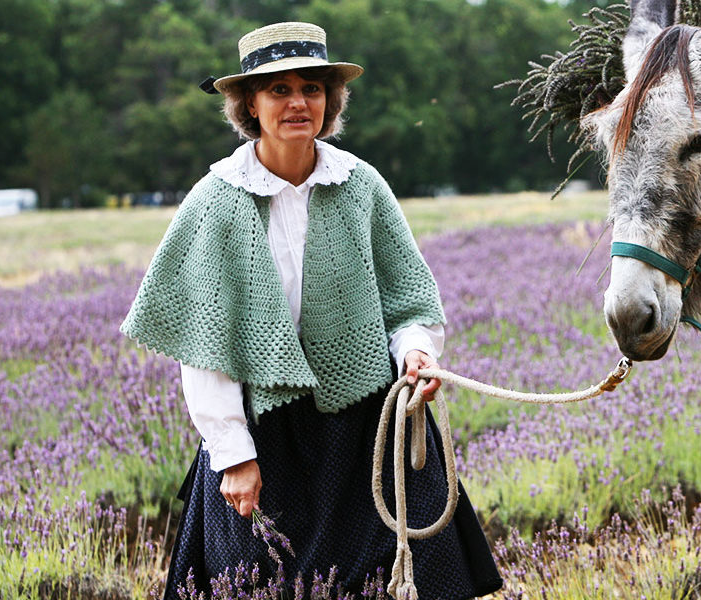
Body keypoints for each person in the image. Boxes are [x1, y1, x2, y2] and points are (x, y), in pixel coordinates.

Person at [121, 22, 503, 599]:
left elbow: (409, 303)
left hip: (366, 429)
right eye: (279, 90)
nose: (299, 102)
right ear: (250, 103)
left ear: (331, 99)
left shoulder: (362, 185)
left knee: (398, 582)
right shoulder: (215, 200)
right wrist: (232, 455)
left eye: (313, 88)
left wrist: (416, 351)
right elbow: (205, 345)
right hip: (262, 434)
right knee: (258, 584)